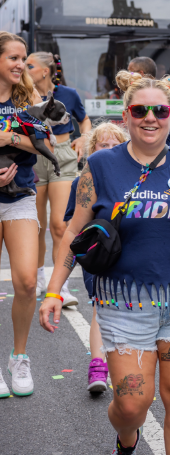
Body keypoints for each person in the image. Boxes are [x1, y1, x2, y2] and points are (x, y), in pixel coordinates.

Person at [39, 71, 170, 454]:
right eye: (139, 109)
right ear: (126, 115)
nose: (150, 117)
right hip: (125, 303)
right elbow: (73, 233)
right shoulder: (100, 167)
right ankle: (127, 436)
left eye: (160, 110)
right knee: (131, 404)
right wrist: (53, 291)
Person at [62, 122, 129, 392]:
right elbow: (72, 226)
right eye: (104, 145)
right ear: (92, 151)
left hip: (131, 254)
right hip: (99, 256)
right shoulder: (83, 182)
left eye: (116, 144)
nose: (110, 149)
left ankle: (123, 364)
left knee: (128, 310)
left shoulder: (137, 178)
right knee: (100, 308)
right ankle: (98, 366)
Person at [0, 32, 49, 399]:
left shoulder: (30, 99)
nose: (20, 65)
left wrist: (9, 139)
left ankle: (19, 356)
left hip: (20, 197)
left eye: (23, 58)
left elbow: (46, 145)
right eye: (13, 58)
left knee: (28, 282)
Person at [26, 52, 92, 305]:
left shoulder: (69, 94)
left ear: (45, 71)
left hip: (63, 157)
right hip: (31, 158)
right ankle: (38, 279)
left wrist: (84, 137)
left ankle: (59, 286)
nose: (24, 67)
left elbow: (84, 120)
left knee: (60, 225)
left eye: (30, 65)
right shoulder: (20, 93)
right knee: (37, 226)